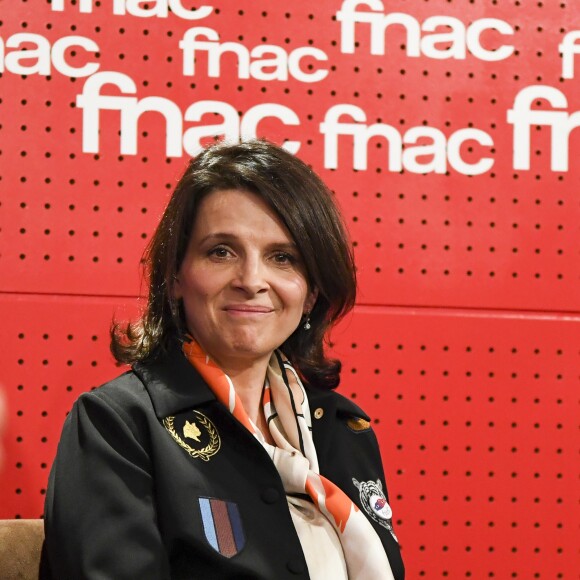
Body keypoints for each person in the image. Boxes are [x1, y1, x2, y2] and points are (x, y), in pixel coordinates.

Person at [44, 139, 405, 579]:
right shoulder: (117, 424)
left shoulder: (344, 429)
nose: (251, 280)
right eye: (221, 251)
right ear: (175, 276)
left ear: (311, 292)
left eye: (282, 257)